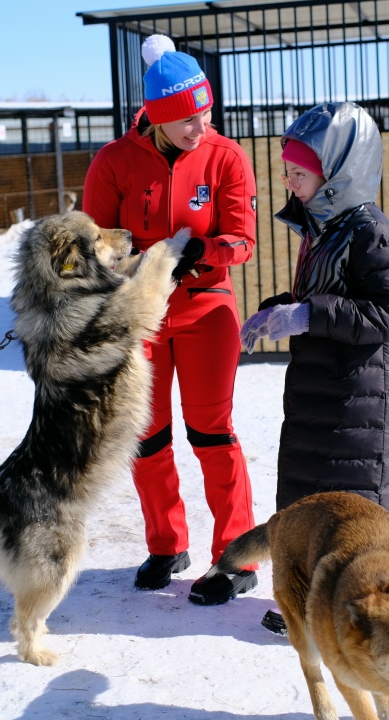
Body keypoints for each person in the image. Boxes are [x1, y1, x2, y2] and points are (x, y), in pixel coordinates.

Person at [83, 34, 259, 606]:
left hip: (208, 310)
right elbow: (94, 242)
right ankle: (166, 544)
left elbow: (242, 240)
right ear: (156, 117)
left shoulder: (225, 157)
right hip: (141, 317)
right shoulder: (114, 162)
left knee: (213, 432)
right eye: (186, 118)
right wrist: (129, 264)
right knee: (147, 435)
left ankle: (236, 556)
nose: (199, 126)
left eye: (205, 112)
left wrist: (201, 252)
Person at [240, 102, 389, 633]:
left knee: (358, 516)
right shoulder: (326, 227)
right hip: (329, 396)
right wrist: (280, 309)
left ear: (339, 173)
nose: (288, 181)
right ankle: (310, 607)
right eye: (287, 171)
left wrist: (307, 314)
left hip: (362, 405)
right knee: (315, 505)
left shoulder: (369, 232)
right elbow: (323, 298)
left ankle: (376, 620)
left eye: (299, 173)